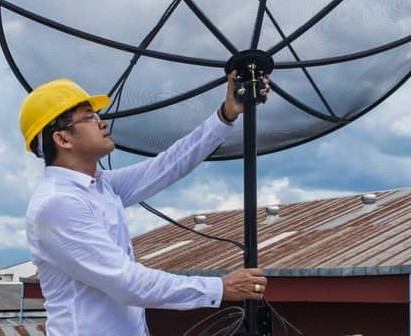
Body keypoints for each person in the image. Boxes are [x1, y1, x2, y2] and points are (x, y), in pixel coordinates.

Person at [21, 75, 267, 335]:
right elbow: (127, 283)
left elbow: (167, 165)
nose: (102, 122)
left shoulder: (100, 186)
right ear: (63, 139)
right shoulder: (59, 204)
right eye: (88, 117)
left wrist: (226, 115)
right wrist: (220, 288)